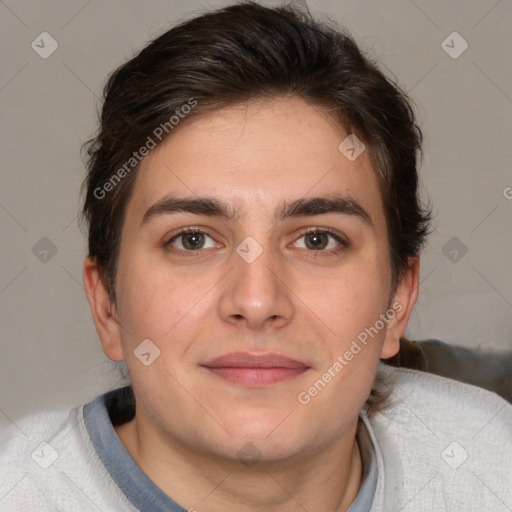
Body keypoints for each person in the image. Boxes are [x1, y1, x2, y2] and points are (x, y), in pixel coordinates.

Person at [1, 2, 511, 511]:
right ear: (107, 305)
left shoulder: (491, 463)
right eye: (192, 240)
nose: (257, 300)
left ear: (397, 300)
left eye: (317, 240)